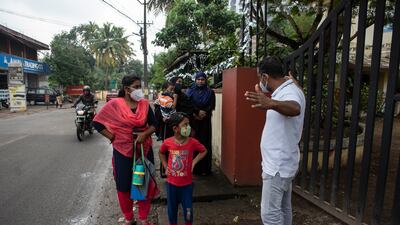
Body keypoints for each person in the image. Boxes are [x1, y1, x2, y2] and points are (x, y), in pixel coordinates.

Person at [244, 57, 305, 225]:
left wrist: (270, 102)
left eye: (259, 77)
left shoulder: (289, 93)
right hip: (282, 163)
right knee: (283, 209)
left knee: (270, 215)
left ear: (265, 76)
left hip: (277, 167)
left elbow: (295, 108)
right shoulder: (289, 89)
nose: (259, 81)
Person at [92, 75, 159, 225]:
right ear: (127, 89)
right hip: (122, 151)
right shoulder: (115, 104)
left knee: (142, 183)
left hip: (143, 149)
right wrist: (112, 137)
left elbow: (155, 124)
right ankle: (129, 217)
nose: (139, 90)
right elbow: (97, 123)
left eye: (140, 87)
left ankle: (143, 217)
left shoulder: (145, 105)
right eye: (136, 87)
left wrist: (144, 134)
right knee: (123, 184)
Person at [159, 112, 207, 225]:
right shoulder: (168, 142)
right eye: (185, 125)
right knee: (172, 211)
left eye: (188, 124)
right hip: (171, 185)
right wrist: (166, 166)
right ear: (175, 128)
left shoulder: (192, 142)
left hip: (187, 185)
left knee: (188, 210)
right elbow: (161, 153)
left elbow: (204, 151)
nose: (188, 127)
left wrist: (194, 162)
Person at [187, 71, 215, 175]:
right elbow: (188, 104)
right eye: (198, 79)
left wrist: (203, 113)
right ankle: (194, 168)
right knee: (193, 143)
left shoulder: (210, 92)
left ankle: (205, 169)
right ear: (195, 80)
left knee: (204, 143)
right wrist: (195, 113)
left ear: (205, 80)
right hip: (193, 121)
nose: (200, 81)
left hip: (205, 122)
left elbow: (211, 106)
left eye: (202, 79)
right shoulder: (190, 91)